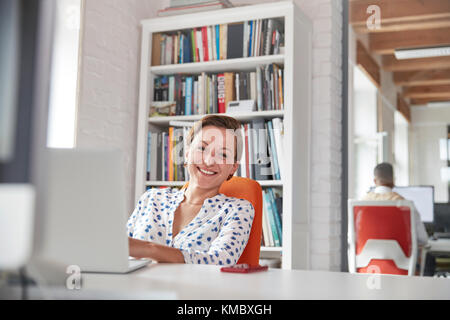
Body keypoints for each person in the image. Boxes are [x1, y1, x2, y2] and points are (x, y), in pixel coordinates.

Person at [127, 115, 255, 266]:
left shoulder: (237, 209)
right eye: (202, 148)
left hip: (194, 290)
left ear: (233, 167)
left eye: (222, 154)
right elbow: (114, 251)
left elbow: (220, 260)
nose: (208, 161)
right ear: (187, 153)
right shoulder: (152, 198)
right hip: (134, 287)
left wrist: (150, 250)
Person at [362, 162, 428, 246]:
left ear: (375, 181)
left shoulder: (361, 204)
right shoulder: (406, 205)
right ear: (393, 181)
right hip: (401, 258)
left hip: (366, 258)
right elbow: (423, 239)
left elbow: (351, 237)